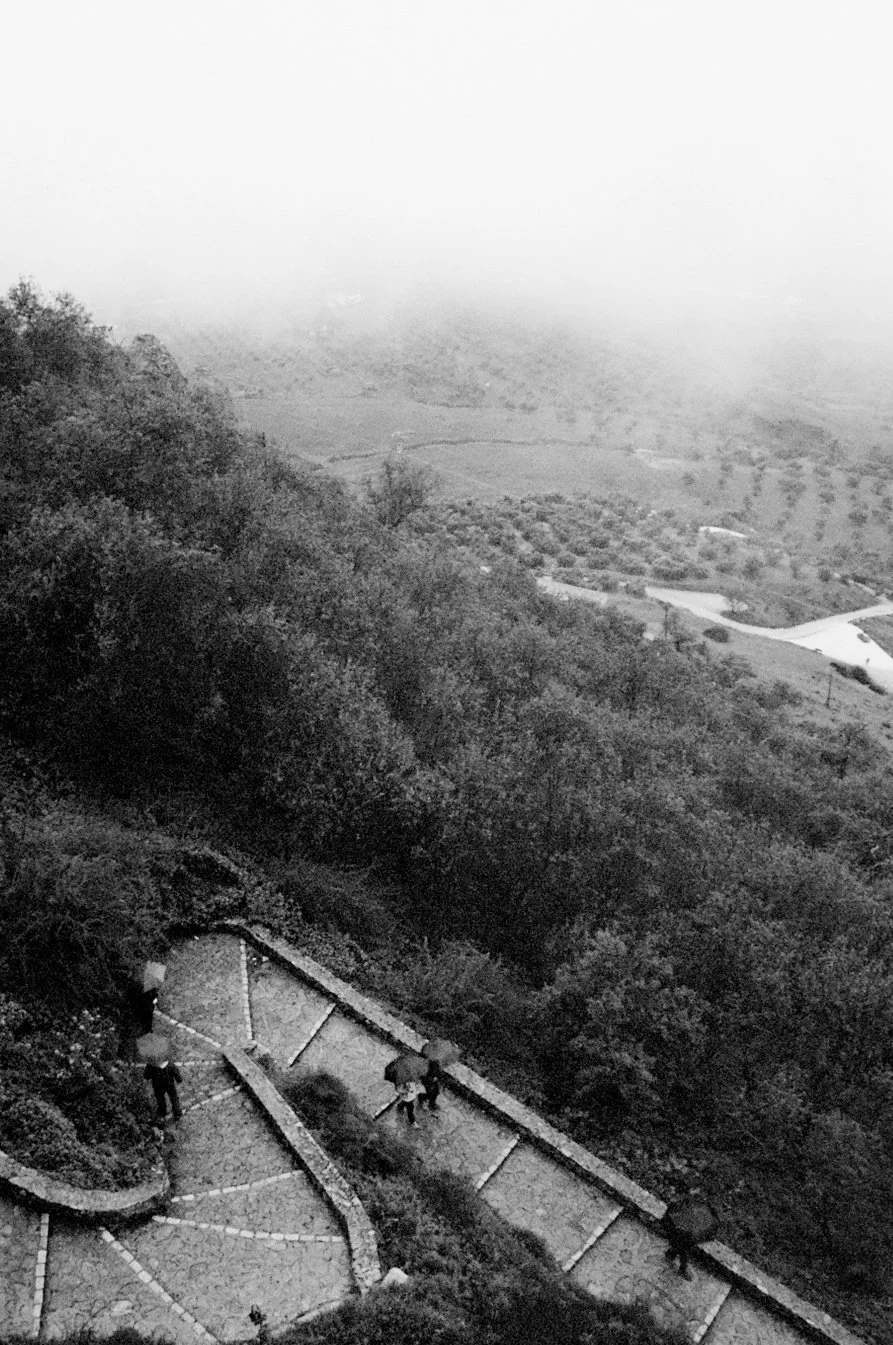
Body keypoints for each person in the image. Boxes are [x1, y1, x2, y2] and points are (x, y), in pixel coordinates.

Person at [661, 1195, 718, 1280]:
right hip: (684, 1240)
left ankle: (672, 1254)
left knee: (679, 1248)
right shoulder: (695, 1231)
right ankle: (682, 1268)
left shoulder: (678, 1220)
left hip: (679, 1237)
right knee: (683, 1253)